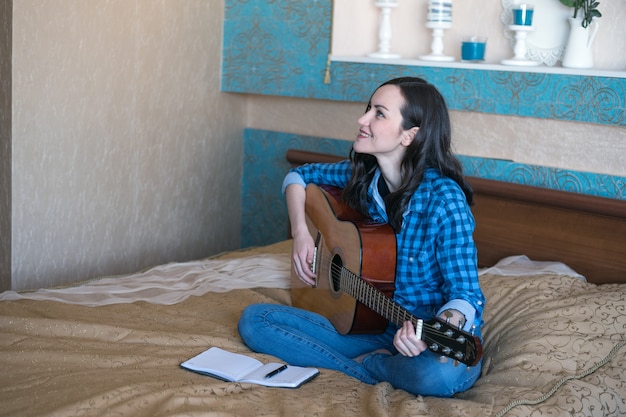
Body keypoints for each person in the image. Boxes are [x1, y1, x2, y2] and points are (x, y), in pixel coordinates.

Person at [238, 77, 485, 397]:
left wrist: (432, 331)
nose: (362, 119)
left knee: (435, 378)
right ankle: (371, 365)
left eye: (379, 114)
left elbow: (465, 294)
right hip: (374, 328)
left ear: (410, 134)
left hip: (426, 340)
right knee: (256, 320)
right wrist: (300, 232)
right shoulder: (362, 175)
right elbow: (298, 176)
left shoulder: (445, 200)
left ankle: (370, 367)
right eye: (368, 109)